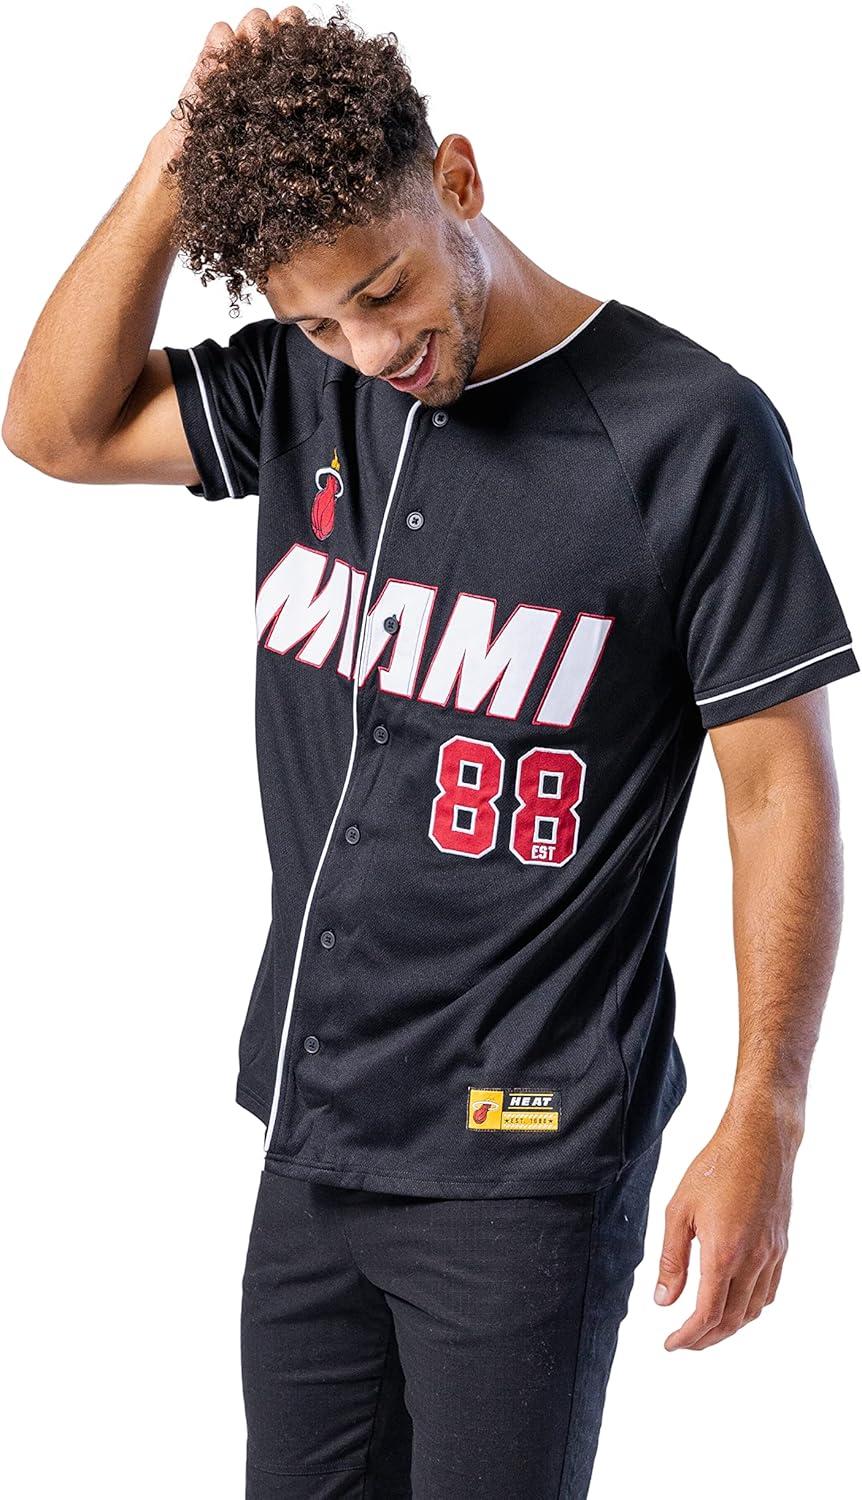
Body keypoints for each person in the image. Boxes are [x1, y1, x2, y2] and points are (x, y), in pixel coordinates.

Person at [4, 7, 858, 1497]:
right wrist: (175, 158)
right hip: (316, 1120)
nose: (370, 349)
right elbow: (56, 430)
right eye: (319, 322)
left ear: (456, 178)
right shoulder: (310, 386)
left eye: (384, 292)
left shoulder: (689, 430)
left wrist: (766, 1113)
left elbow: (777, 784)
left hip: (526, 1148)